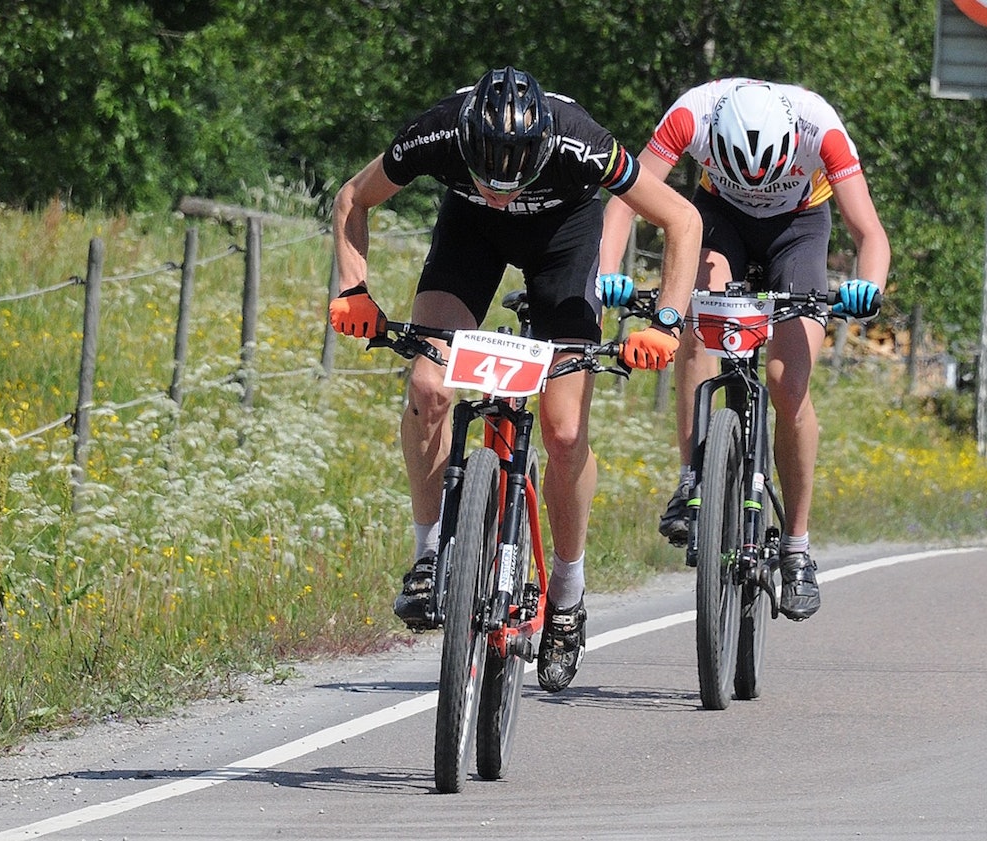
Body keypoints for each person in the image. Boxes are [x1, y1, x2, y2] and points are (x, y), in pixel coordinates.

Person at [330, 67, 702, 692]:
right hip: (469, 238)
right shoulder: (438, 131)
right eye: (487, 177)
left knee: (561, 430)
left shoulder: (583, 143)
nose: (501, 190)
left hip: (564, 239)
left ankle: (567, 589)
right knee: (428, 387)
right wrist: (352, 290)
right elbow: (352, 198)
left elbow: (682, 220)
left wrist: (665, 323)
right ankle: (428, 556)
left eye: (514, 178)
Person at [598, 78, 889, 621]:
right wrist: (609, 271)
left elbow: (869, 232)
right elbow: (625, 203)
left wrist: (868, 285)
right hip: (719, 220)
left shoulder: (819, 127)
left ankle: (797, 548)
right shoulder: (691, 115)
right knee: (694, 317)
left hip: (798, 228)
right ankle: (692, 479)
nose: (757, 184)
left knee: (786, 380)